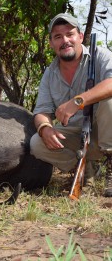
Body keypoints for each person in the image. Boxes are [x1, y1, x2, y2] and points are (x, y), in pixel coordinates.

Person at [30, 13, 112, 197]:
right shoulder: (49, 73)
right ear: (51, 43)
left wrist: (78, 101)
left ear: (80, 37)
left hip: (105, 132)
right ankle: (84, 170)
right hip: (78, 138)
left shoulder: (100, 55)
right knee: (36, 142)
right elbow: (41, 110)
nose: (65, 40)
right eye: (58, 37)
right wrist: (45, 128)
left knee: (109, 101)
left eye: (70, 34)